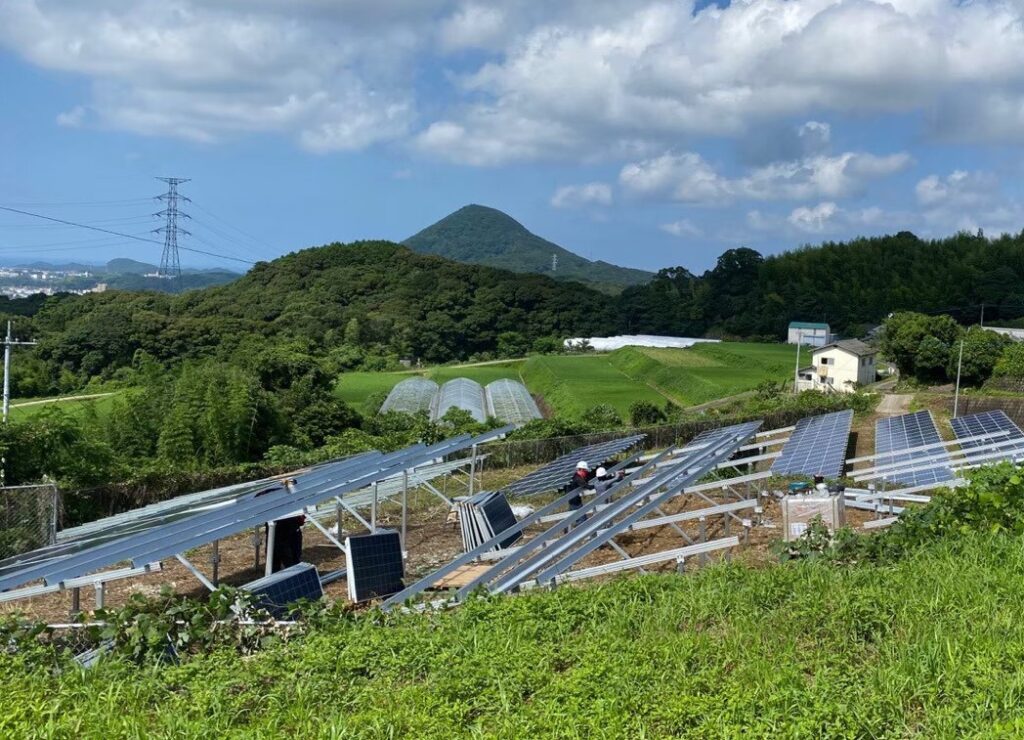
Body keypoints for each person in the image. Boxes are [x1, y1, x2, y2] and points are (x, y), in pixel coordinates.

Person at [566, 461, 592, 531]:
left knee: (570, 517)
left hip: (573, 500)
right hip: (575, 502)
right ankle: (581, 533)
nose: (586, 473)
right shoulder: (578, 478)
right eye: (585, 471)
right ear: (581, 470)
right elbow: (586, 486)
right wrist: (595, 486)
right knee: (582, 519)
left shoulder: (575, 476)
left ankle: (567, 531)